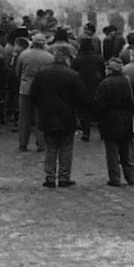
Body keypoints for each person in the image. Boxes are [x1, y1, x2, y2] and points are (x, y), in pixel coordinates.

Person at [30, 48, 90, 187]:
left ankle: (50, 177)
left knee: (50, 148)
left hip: (47, 115)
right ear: (67, 59)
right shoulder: (73, 75)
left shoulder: (42, 73)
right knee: (66, 148)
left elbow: (33, 93)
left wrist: (41, 106)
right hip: (67, 115)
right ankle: (64, 177)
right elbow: (83, 96)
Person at [92, 58, 134, 186]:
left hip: (109, 121)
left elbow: (98, 103)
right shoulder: (130, 81)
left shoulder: (105, 84)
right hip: (128, 119)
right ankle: (131, 177)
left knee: (112, 152)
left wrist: (98, 117)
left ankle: (115, 178)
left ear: (110, 69)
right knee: (127, 150)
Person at [16, 34, 54, 151]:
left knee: (24, 118)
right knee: (41, 118)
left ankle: (23, 143)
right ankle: (41, 144)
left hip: (25, 88)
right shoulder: (49, 57)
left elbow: (17, 72)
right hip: (42, 91)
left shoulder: (24, 54)